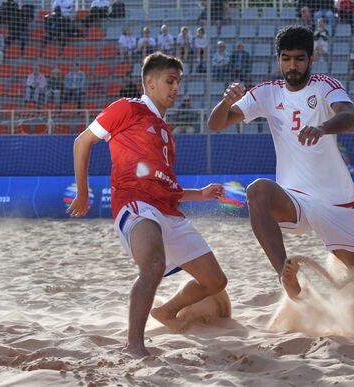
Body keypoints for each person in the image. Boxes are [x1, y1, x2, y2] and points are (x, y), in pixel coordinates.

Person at [67, 52, 229, 357]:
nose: (176, 88)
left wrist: (202, 194)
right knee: (152, 265)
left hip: (168, 211)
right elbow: (82, 142)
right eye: (170, 81)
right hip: (134, 204)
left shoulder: (167, 132)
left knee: (216, 281)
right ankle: (134, 345)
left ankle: (166, 312)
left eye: (179, 82)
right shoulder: (127, 108)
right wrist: (83, 192)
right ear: (150, 82)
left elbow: (168, 188)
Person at [208, 25, 354, 302]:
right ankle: (285, 275)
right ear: (278, 59)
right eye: (286, 58)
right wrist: (225, 102)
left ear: (311, 59)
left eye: (299, 58)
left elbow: (351, 117)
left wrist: (322, 128)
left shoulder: (325, 86)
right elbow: (216, 125)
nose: (292, 65)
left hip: (335, 202)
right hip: (294, 199)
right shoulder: (267, 93)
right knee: (258, 190)